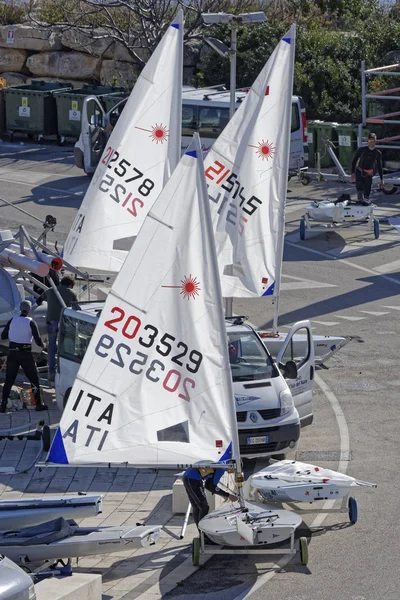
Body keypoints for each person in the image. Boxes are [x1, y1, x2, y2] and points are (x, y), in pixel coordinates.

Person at [1, 300, 47, 413]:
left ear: (20, 309)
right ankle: (39, 404)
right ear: (29, 310)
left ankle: (2, 405)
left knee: (9, 380)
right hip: (25, 354)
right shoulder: (31, 322)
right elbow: (37, 339)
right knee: (34, 379)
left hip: (12, 354)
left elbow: (3, 336)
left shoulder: (12, 320)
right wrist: (43, 346)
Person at [183, 445, 238, 532]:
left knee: (198, 507)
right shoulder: (222, 467)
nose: (232, 472)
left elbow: (208, 484)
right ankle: (203, 533)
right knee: (204, 507)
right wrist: (228, 495)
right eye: (234, 470)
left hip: (191, 477)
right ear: (232, 465)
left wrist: (224, 494)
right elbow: (211, 486)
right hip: (192, 479)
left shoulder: (226, 457)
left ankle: (202, 534)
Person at [36, 275, 78, 386]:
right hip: (64, 323)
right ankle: (63, 371)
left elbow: (38, 300)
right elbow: (77, 308)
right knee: (65, 348)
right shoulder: (71, 293)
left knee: (51, 347)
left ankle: (51, 372)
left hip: (51, 322)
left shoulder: (50, 290)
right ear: (70, 284)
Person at [351, 132, 384, 205]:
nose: (372, 143)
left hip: (369, 174)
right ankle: (359, 206)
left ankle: (366, 213)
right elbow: (354, 161)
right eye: (370, 141)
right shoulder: (362, 150)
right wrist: (352, 173)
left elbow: (379, 166)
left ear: (376, 141)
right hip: (359, 172)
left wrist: (382, 180)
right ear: (368, 141)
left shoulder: (377, 153)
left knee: (367, 194)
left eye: (374, 141)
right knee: (359, 191)